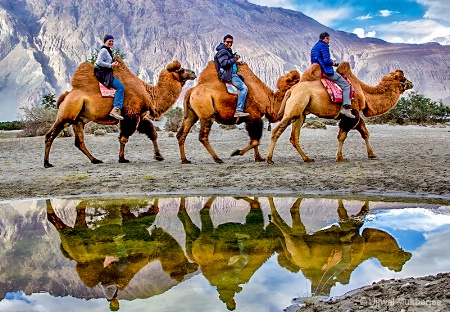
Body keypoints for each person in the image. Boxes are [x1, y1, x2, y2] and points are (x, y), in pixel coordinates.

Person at [311, 32, 355, 118]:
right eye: (328, 39)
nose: (329, 40)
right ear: (325, 39)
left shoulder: (315, 46)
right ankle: (345, 108)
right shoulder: (324, 46)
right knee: (346, 86)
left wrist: (335, 64)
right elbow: (327, 61)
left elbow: (320, 59)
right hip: (326, 71)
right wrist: (332, 62)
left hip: (318, 70)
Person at [214, 34, 250, 117]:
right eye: (228, 42)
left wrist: (236, 62)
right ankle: (239, 110)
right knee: (244, 88)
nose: (229, 44)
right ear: (224, 42)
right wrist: (234, 59)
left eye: (231, 42)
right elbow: (224, 63)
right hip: (229, 74)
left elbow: (227, 61)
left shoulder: (226, 50)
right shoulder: (223, 51)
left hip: (230, 73)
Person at [94, 34, 125, 121]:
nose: (111, 42)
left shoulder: (108, 51)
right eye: (109, 41)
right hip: (104, 74)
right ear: (105, 42)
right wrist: (110, 65)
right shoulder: (104, 50)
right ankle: (115, 109)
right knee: (120, 87)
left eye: (112, 41)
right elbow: (98, 62)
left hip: (106, 72)